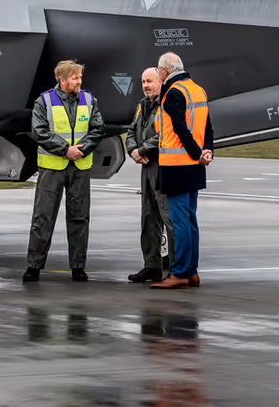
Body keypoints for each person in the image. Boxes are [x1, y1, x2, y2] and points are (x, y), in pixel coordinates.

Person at [24, 60, 106, 282]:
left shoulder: (89, 100)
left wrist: (81, 150)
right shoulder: (44, 101)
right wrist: (64, 150)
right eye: (74, 78)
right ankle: (34, 266)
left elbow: (98, 129)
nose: (79, 81)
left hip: (80, 166)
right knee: (43, 217)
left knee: (80, 218)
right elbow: (39, 132)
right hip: (52, 167)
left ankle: (78, 267)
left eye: (80, 77)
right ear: (62, 80)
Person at [150, 52, 213, 290]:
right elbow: (207, 126)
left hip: (176, 165)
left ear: (165, 71)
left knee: (180, 222)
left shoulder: (173, 92)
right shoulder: (197, 90)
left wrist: (196, 153)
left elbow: (179, 128)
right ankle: (192, 271)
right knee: (190, 219)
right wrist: (206, 151)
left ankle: (179, 273)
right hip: (195, 166)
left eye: (158, 70)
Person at [126, 67, 172, 283]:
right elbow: (131, 131)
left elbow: (166, 134)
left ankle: (174, 268)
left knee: (167, 217)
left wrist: (142, 150)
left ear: (161, 82)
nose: (146, 86)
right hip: (146, 165)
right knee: (149, 218)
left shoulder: (167, 104)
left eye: (150, 81)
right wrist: (133, 150)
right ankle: (152, 265)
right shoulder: (142, 105)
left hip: (163, 164)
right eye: (143, 82)